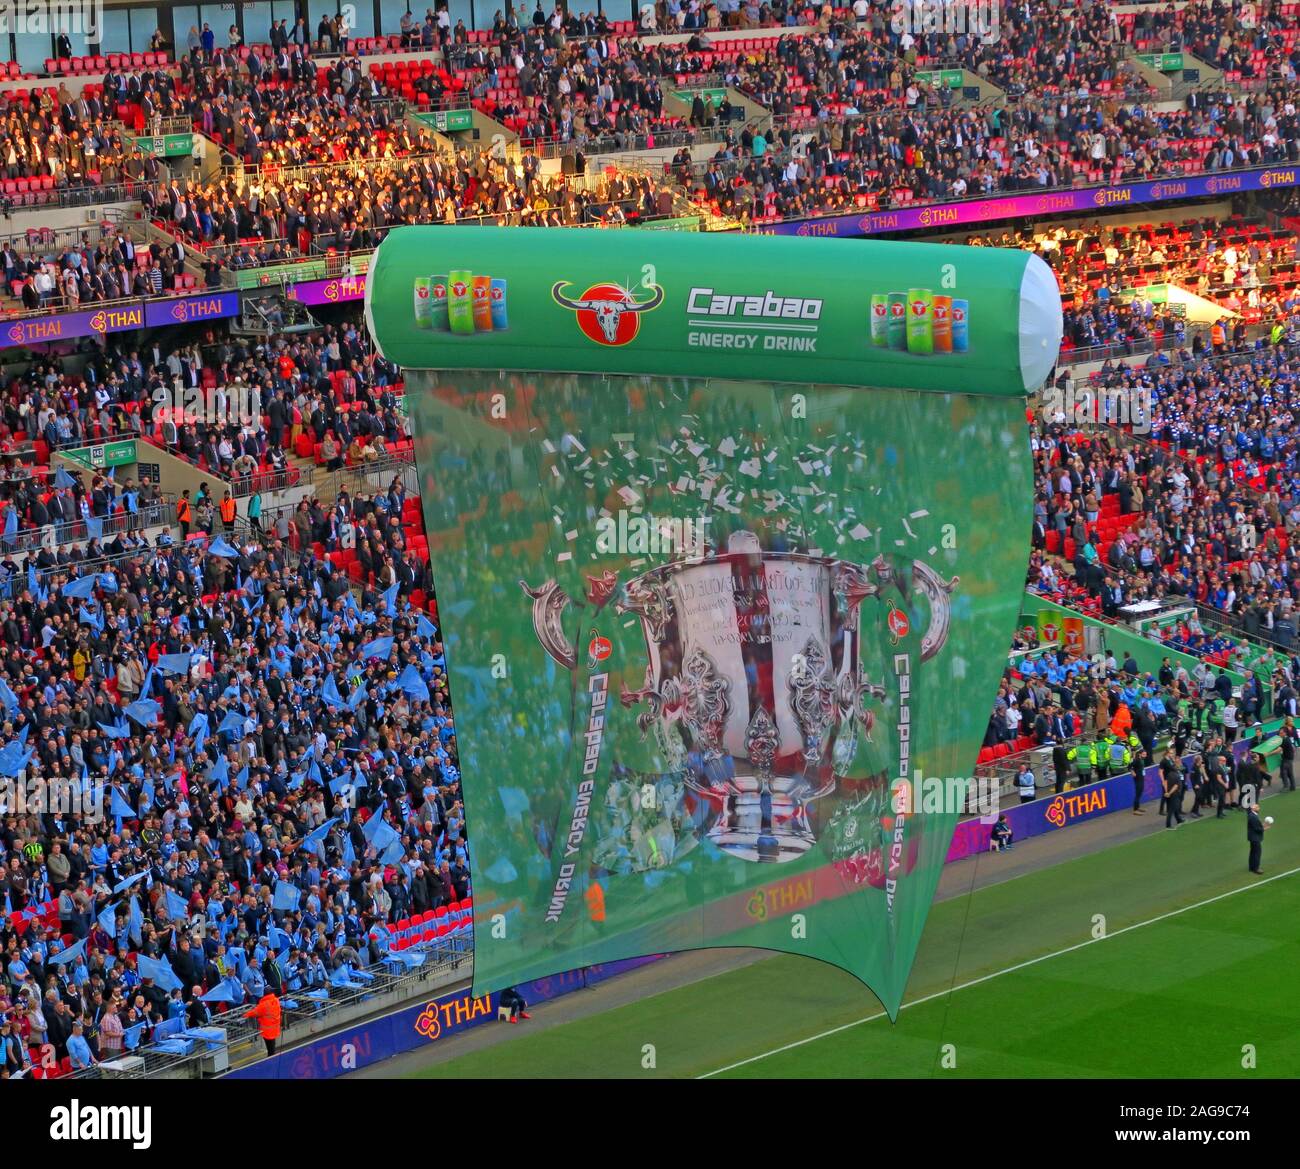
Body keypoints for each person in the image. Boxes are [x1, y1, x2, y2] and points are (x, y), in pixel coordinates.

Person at [244, 989, 282, 1057]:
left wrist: (245, 1015)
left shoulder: (264, 1004)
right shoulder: (276, 1000)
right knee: (272, 1046)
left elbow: (255, 1012)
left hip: (267, 1030)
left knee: (270, 1048)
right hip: (275, 1027)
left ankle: (271, 1060)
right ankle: (272, 1057)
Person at [1246, 803, 1270, 874]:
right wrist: (1265, 828)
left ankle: (1251, 867)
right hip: (1255, 838)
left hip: (1252, 837)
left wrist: (1263, 825)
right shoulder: (1253, 817)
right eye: (1257, 807)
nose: (1259, 808)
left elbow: (1256, 825)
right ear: (1253, 809)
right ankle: (1256, 868)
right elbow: (1257, 829)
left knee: (1253, 852)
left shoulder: (1252, 815)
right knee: (1257, 853)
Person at [1161, 760, 1185, 830]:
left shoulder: (1168, 774)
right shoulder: (1176, 776)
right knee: (1171, 810)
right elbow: (1176, 786)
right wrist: (1169, 793)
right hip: (1174, 794)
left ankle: (1179, 820)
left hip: (1169, 794)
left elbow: (1164, 783)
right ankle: (1168, 826)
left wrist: (1166, 792)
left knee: (1175, 807)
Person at [1281, 718, 1296, 792]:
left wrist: (1295, 745)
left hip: (1289, 752)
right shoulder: (1284, 729)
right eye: (1291, 721)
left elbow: (1296, 737)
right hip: (1287, 750)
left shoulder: (1293, 728)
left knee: (1284, 769)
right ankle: (1292, 786)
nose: (1292, 722)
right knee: (1288, 770)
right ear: (1287, 722)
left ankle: (1286, 785)